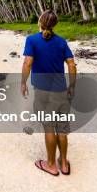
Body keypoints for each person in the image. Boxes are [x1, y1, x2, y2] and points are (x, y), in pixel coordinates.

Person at [21, 10, 77, 176]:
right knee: (62, 129)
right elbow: (72, 65)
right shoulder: (61, 42)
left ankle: (51, 165)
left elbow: (27, 63)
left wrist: (23, 82)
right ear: (54, 25)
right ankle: (64, 163)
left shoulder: (32, 40)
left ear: (40, 22)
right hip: (61, 91)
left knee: (49, 128)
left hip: (43, 93)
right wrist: (72, 85)